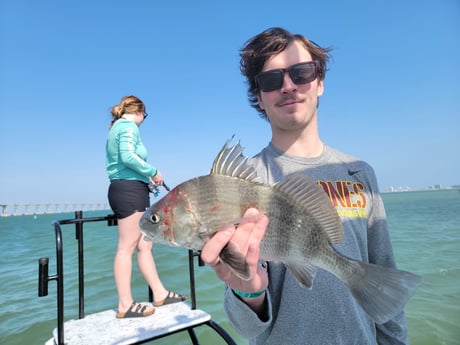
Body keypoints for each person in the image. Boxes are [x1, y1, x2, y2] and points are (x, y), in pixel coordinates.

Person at [200, 28, 410, 344]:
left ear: (320, 82)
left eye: (301, 73)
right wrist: (247, 290)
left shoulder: (359, 174)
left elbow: (384, 283)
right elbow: (247, 328)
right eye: (271, 80)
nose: (288, 86)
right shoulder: (240, 183)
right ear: (258, 96)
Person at [106, 95, 186, 318]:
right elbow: (128, 157)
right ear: (139, 112)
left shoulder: (115, 128)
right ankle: (125, 304)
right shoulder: (129, 126)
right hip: (129, 191)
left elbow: (124, 161)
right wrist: (153, 172)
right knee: (126, 247)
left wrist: (145, 177)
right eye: (145, 116)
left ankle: (159, 293)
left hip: (131, 189)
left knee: (145, 244)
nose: (143, 120)